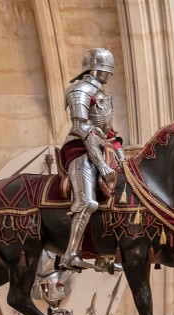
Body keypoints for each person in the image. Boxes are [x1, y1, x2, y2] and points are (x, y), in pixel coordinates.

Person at [60, 48, 124, 272]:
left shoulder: (103, 95)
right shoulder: (79, 90)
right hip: (79, 149)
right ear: (97, 69)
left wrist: (122, 159)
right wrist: (102, 164)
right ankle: (70, 255)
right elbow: (82, 128)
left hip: (101, 148)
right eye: (108, 71)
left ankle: (103, 255)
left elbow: (109, 133)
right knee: (88, 202)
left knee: (118, 201)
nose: (110, 75)